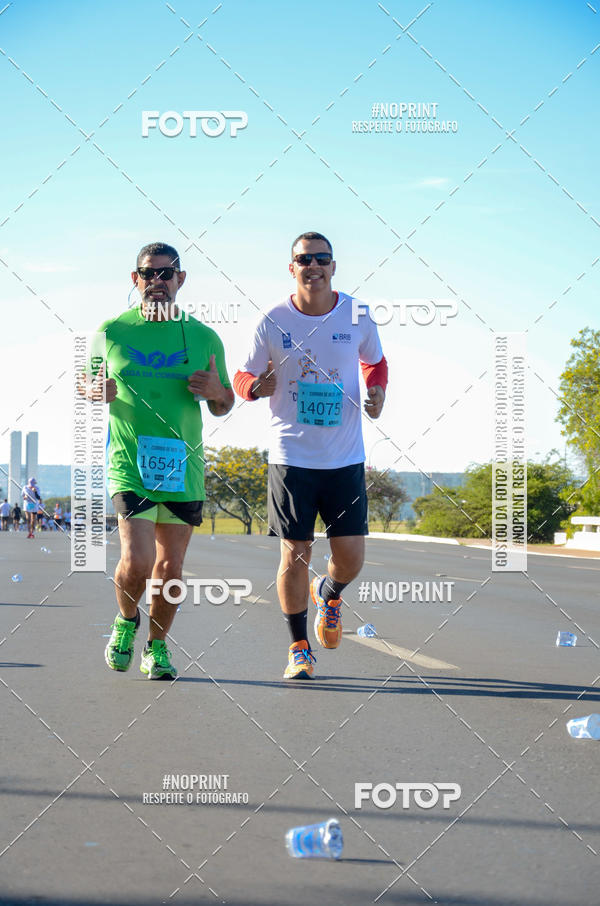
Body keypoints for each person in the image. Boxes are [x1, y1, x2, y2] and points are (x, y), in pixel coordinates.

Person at [234, 231, 387, 680]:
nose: (313, 266)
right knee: (294, 553)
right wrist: (252, 389)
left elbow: (374, 361)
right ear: (292, 267)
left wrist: (377, 391)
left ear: (334, 266)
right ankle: (298, 647)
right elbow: (243, 373)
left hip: (344, 457)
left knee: (352, 557)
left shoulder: (356, 312)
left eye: (322, 258)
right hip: (291, 456)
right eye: (305, 259)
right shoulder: (273, 319)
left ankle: (331, 593)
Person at [88, 242, 234, 680]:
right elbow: (86, 383)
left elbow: (225, 402)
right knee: (136, 561)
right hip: (129, 462)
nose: (157, 282)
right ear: (135, 279)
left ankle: (156, 647)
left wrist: (217, 393)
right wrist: (95, 391)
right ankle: (126, 621)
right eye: (148, 274)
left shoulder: (206, 337)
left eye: (166, 274)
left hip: (182, 466)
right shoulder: (110, 331)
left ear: (180, 280)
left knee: (170, 567)